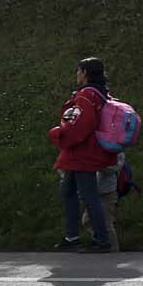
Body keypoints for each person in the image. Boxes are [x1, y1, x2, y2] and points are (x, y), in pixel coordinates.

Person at [47, 57, 115, 253]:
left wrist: (57, 135)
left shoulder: (85, 96)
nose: (76, 74)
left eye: (78, 71)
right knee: (68, 191)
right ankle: (73, 237)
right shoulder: (101, 94)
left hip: (82, 153)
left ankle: (101, 240)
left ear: (84, 73)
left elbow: (79, 127)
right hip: (86, 151)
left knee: (89, 196)